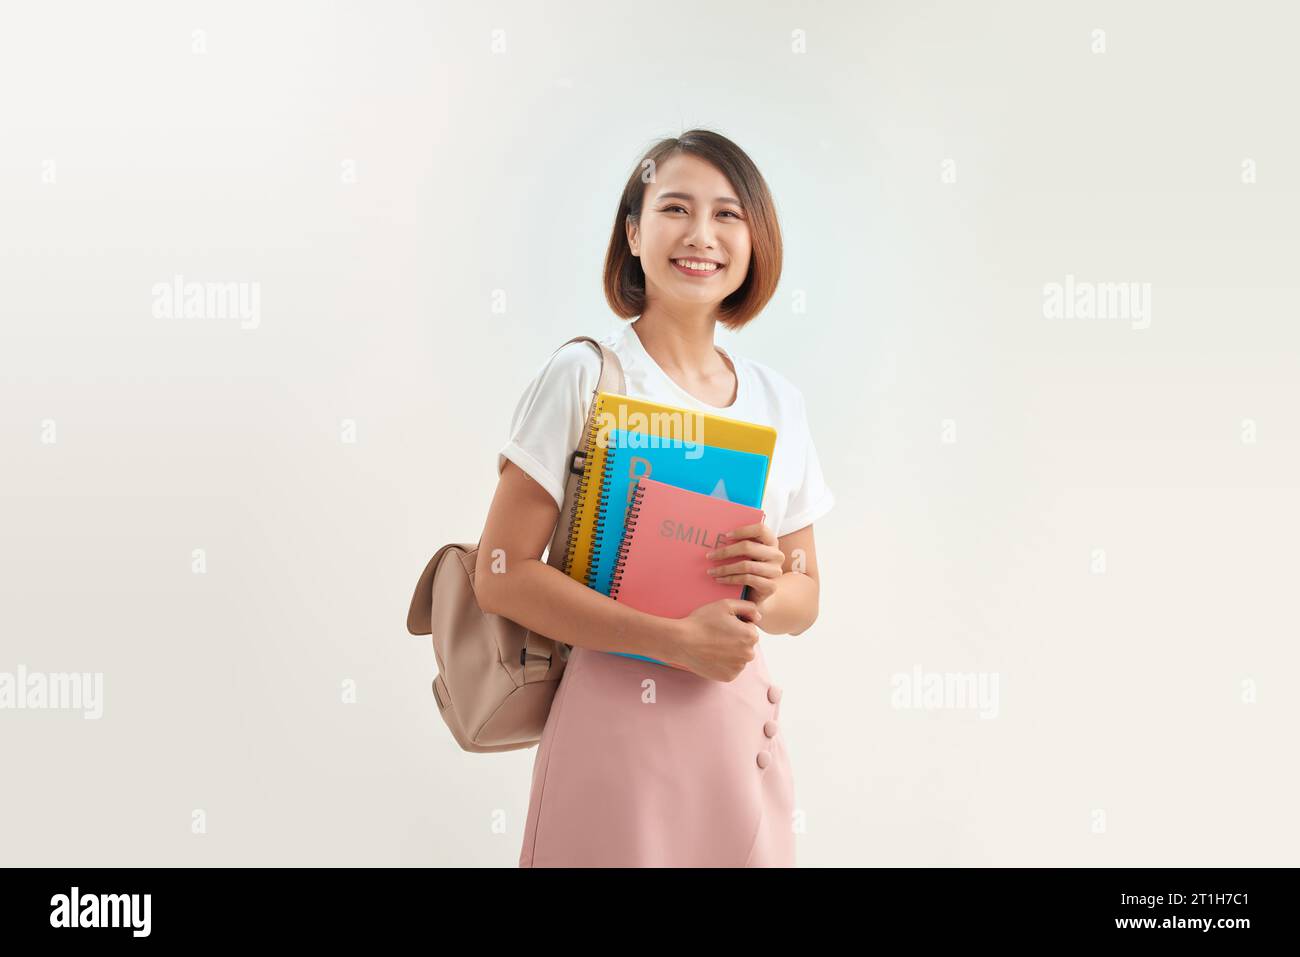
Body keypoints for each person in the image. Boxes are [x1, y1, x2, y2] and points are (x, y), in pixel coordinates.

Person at [474, 129, 834, 867]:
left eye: (728, 215)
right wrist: (673, 640)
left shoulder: (778, 402)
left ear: (756, 241)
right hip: (612, 728)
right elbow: (500, 571)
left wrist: (766, 587)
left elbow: (807, 597)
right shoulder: (587, 375)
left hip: (736, 734)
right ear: (634, 234)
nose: (701, 235)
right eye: (676, 208)